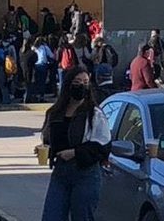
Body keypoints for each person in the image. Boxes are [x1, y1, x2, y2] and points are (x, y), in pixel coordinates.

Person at [40, 67, 110, 221]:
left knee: (82, 216)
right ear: (68, 85)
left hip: (86, 173)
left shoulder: (94, 114)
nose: (82, 86)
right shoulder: (55, 113)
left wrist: (75, 152)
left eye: (85, 82)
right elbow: (48, 139)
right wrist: (46, 149)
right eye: (77, 82)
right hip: (60, 172)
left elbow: (103, 146)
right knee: (52, 215)